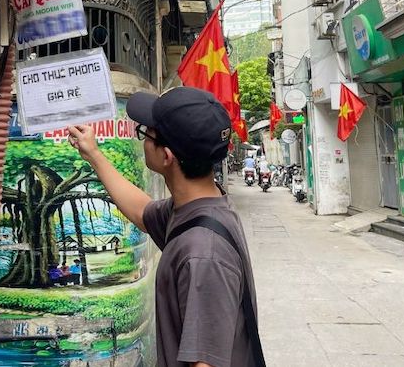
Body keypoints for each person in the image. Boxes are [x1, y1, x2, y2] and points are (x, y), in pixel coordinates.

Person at [68, 87, 263, 367]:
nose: (143, 140)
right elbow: (142, 212)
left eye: (147, 133)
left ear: (167, 156)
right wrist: (94, 155)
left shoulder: (203, 253)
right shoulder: (201, 206)